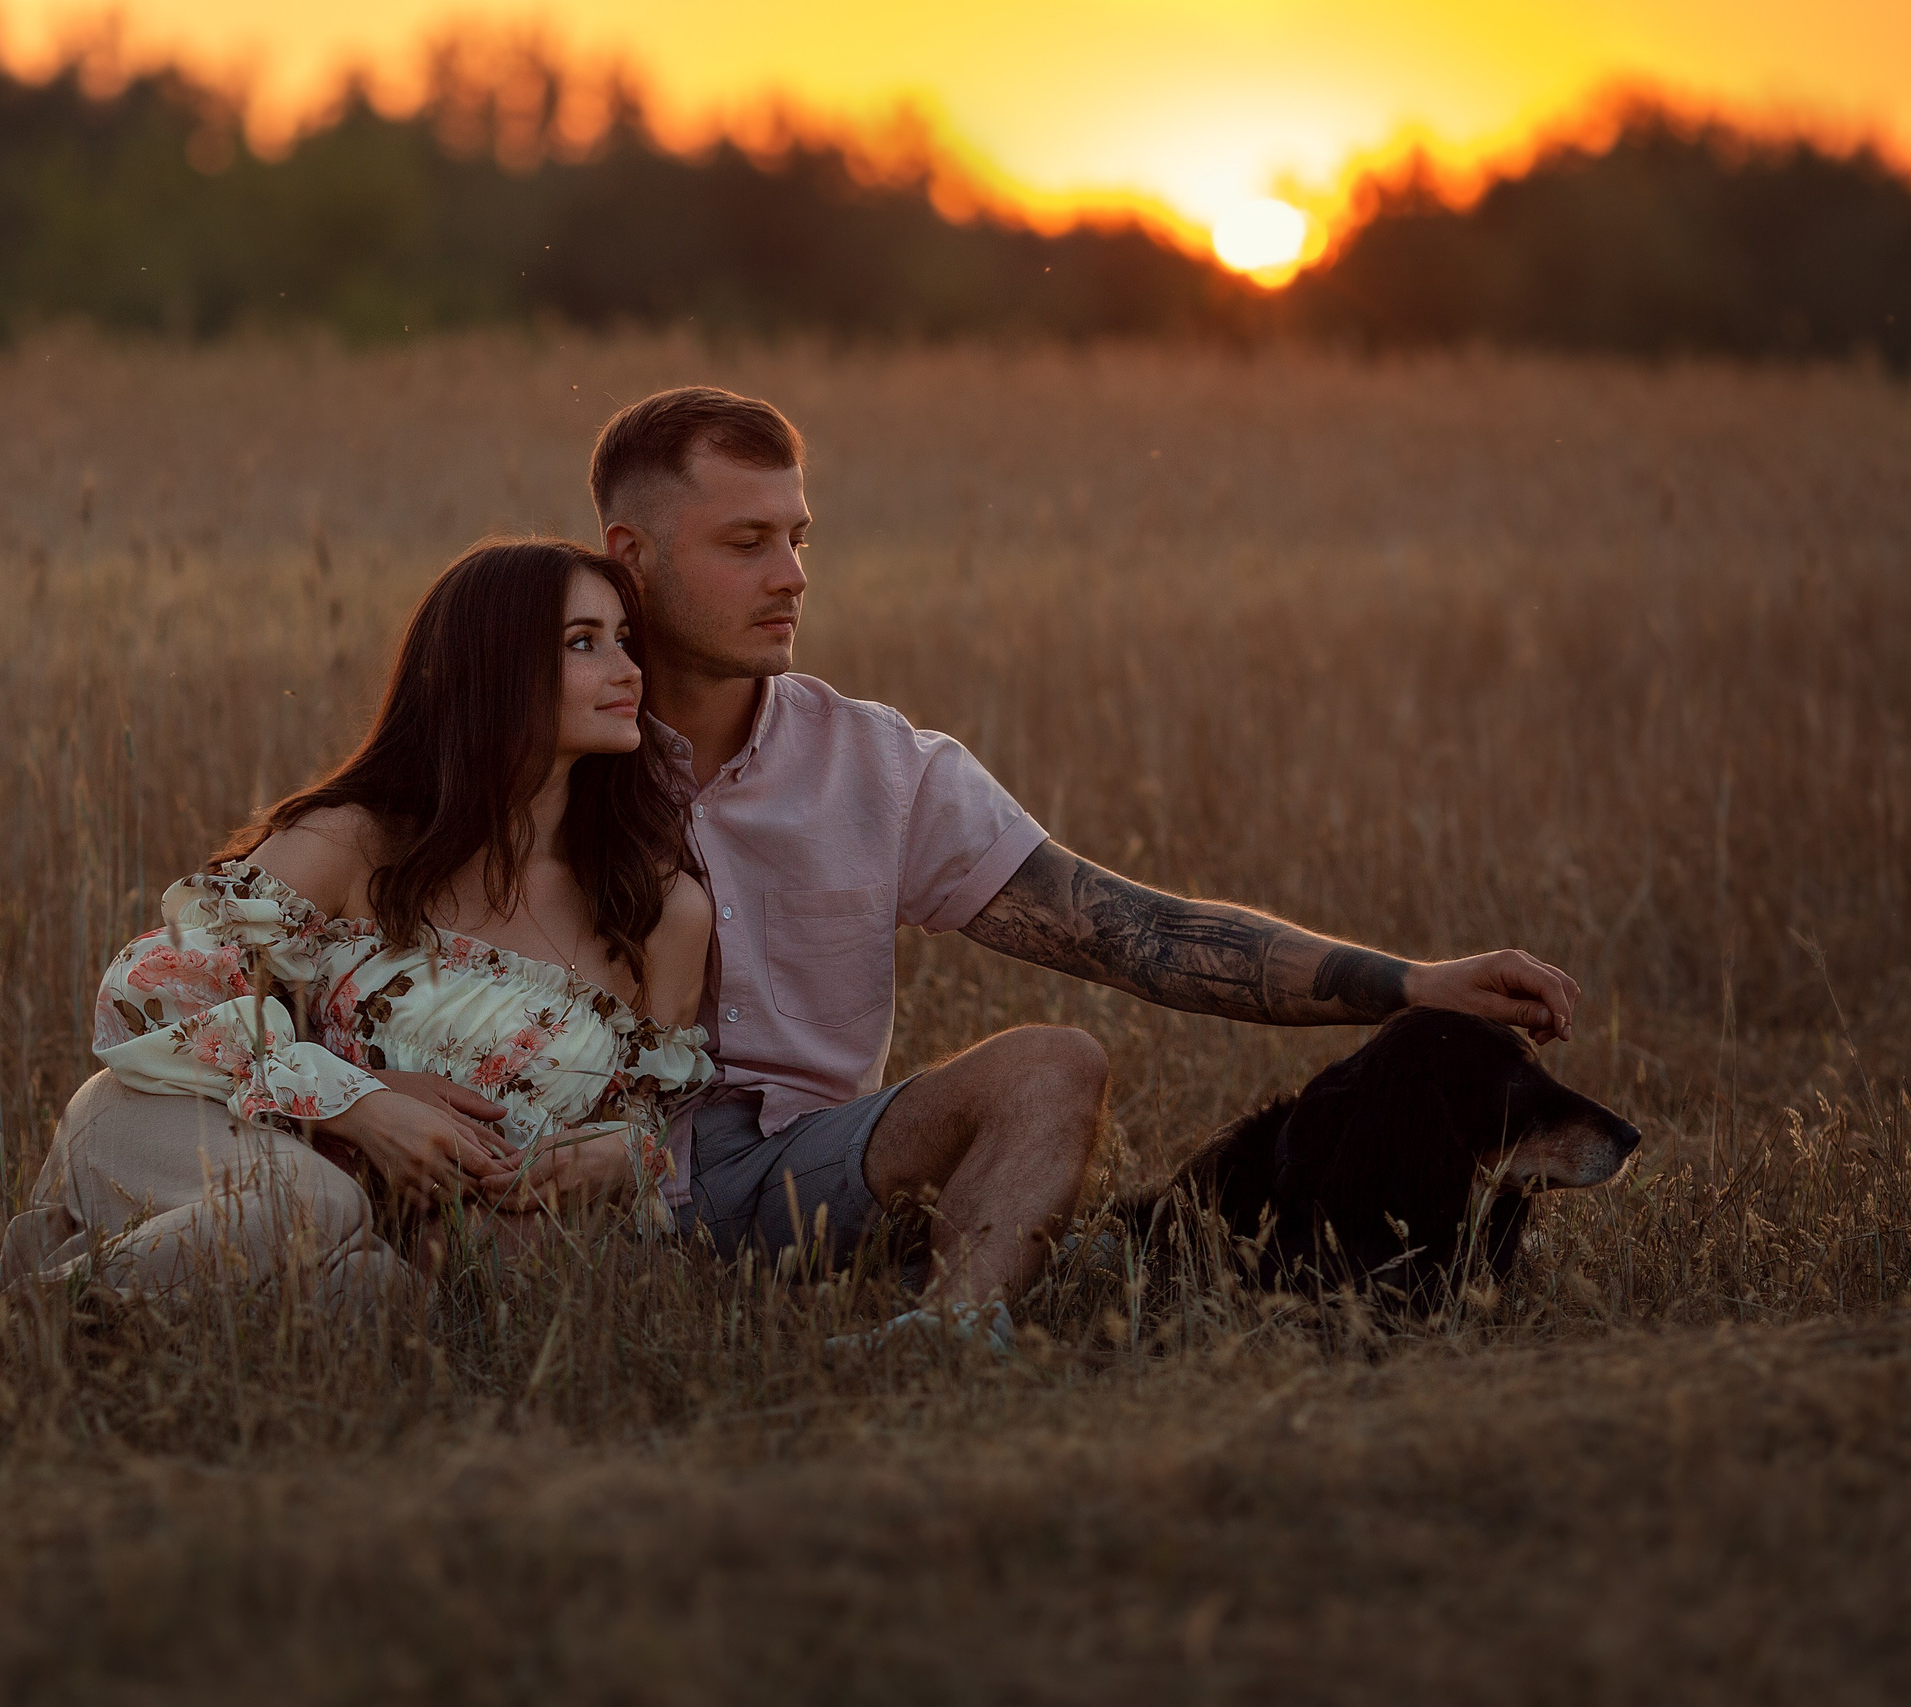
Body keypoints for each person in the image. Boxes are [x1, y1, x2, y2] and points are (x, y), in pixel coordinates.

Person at [540, 385, 1575, 1343]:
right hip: (564, 1188)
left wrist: (1407, 983)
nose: (793, 575)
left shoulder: (877, 766)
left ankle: (946, 1338)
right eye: (747, 542)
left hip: (813, 1175)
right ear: (630, 556)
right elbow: (375, 913)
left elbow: (1134, 932)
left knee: (1055, 1064)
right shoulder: (520, 751)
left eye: (799, 538)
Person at [0, 539, 716, 1324]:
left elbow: (653, 1116)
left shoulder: (657, 911)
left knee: (385, 1303)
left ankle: (28, 1319)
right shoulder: (357, 840)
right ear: (495, 667)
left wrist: (616, 1155)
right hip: (179, 1133)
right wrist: (357, 1099)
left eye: (624, 639)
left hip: (374, 1240)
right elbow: (150, 995)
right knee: (313, 1199)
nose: (627, 668)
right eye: (582, 642)